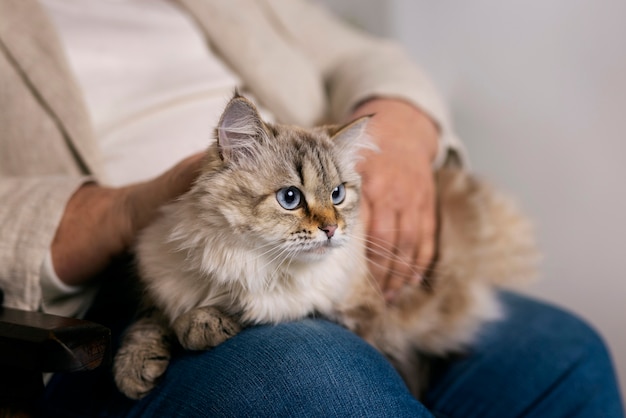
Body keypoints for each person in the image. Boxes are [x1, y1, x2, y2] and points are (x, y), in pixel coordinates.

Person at [0, 0, 622, 416]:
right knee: (322, 382)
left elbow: (363, 54)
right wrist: (126, 209)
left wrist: (402, 128)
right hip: (114, 297)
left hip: (304, 226)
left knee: (564, 356)